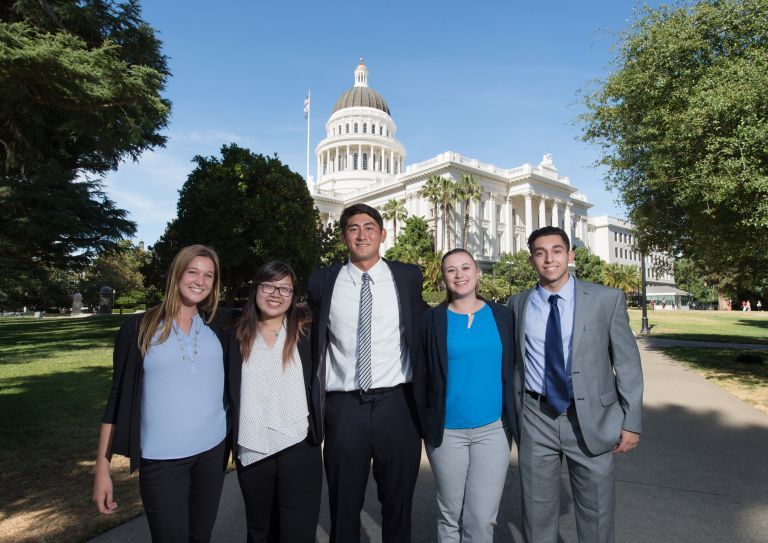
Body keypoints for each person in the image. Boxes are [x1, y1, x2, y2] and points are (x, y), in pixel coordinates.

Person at [507, 226, 643, 543]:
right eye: (540, 253)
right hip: (535, 416)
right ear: (531, 261)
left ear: (570, 256)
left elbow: (627, 364)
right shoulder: (518, 304)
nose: (548, 259)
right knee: (536, 516)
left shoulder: (605, 299)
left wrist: (631, 420)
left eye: (556, 251)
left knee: (596, 516)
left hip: (591, 419)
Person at [93, 245, 231, 543]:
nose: (200, 281)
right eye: (193, 272)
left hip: (212, 453)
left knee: (201, 537)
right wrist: (102, 471)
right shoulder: (139, 328)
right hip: (162, 460)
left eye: (208, 275)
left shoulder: (217, 327)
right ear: (176, 274)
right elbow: (116, 399)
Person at [307, 203, 428, 543]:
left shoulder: (407, 277)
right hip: (344, 408)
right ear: (344, 236)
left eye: (369, 227)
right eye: (354, 228)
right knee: (344, 504)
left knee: (398, 503)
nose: (362, 235)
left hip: (398, 406)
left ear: (383, 234)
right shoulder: (323, 280)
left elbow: (427, 326)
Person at [416, 248, 515, 542]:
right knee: (450, 514)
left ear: (477, 272)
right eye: (451, 270)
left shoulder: (503, 316)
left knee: (482, 518)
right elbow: (420, 375)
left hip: (494, 430)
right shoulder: (431, 321)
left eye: (466, 268)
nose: (460, 275)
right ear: (443, 278)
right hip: (447, 433)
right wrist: (425, 422)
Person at [226, 261, 322, 542]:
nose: (275, 294)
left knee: (299, 532)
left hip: (299, 444)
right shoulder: (233, 335)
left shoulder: (305, 333)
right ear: (256, 288)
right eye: (269, 285)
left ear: (294, 295)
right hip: (253, 447)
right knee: (260, 531)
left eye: (285, 288)